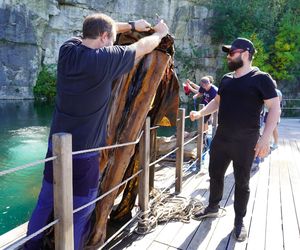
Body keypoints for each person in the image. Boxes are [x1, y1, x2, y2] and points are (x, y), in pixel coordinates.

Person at [24, 13, 169, 250]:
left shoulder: (67, 50)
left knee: (46, 200)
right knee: (82, 208)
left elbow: (95, 32)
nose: (113, 42)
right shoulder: (104, 59)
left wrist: (131, 26)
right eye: (111, 39)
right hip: (85, 154)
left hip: (56, 148)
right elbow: (142, 46)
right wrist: (159, 33)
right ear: (104, 38)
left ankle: (30, 246)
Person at [189, 37, 280, 242]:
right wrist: (201, 113)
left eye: (232, 52)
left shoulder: (261, 78)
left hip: (246, 141)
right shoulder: (226, 79)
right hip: (222, 138)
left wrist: (265, 139)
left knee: (242, 182)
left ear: (246, 54)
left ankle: (239, 222)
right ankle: (213, 207)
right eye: (228, 53)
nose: (228, 56)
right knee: (215, 174)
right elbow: (217, 101)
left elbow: (274, 108)